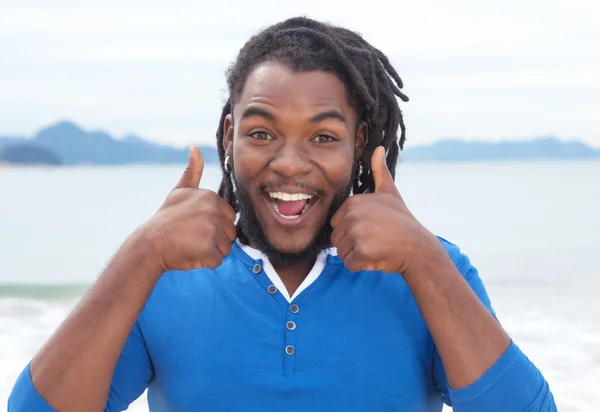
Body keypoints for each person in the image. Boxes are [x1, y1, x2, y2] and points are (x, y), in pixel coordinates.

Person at [8, 16, 557, 412]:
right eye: (262, 133)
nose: (289, 164)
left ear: (359, 143)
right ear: (229, 136)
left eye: (323, 136)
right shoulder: (160, 276)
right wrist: (140, 254)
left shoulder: (433, 268)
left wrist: (423, 261)